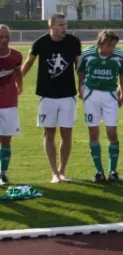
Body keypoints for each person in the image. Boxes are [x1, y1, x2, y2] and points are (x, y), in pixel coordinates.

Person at [21, 13, 81, 183]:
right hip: (47, 96)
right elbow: (29, 62)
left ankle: (62, 170)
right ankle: (54, 172)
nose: (64, 28)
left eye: (65, 24)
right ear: (51, 27)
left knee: (67, 134)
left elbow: (79, 66)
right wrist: (18, 82)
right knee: (49, 134)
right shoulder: (40, 43)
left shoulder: (73, 42)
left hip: (68, 95)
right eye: (60, 25)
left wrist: (82, 85)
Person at [76, 30, 123, 182]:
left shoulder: (119, 55)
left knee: (112, 133)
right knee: (93, 133)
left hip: (110, 96)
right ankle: (99, 171)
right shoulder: (87, 54)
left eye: (114, 45)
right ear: (100, 43)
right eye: (109, 45)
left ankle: (113, 171)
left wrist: (122, 93)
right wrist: (80, 88)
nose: (112, 48)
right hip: (91, 96)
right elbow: (80, 71)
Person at [0, 25, 23, 186]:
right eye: (1, 37)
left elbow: (18, 72)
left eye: (7, 36)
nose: (4, 40)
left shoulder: (16, 55)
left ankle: (3, 174)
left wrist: (19, 86)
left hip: (9, 104)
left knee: (6, 139)